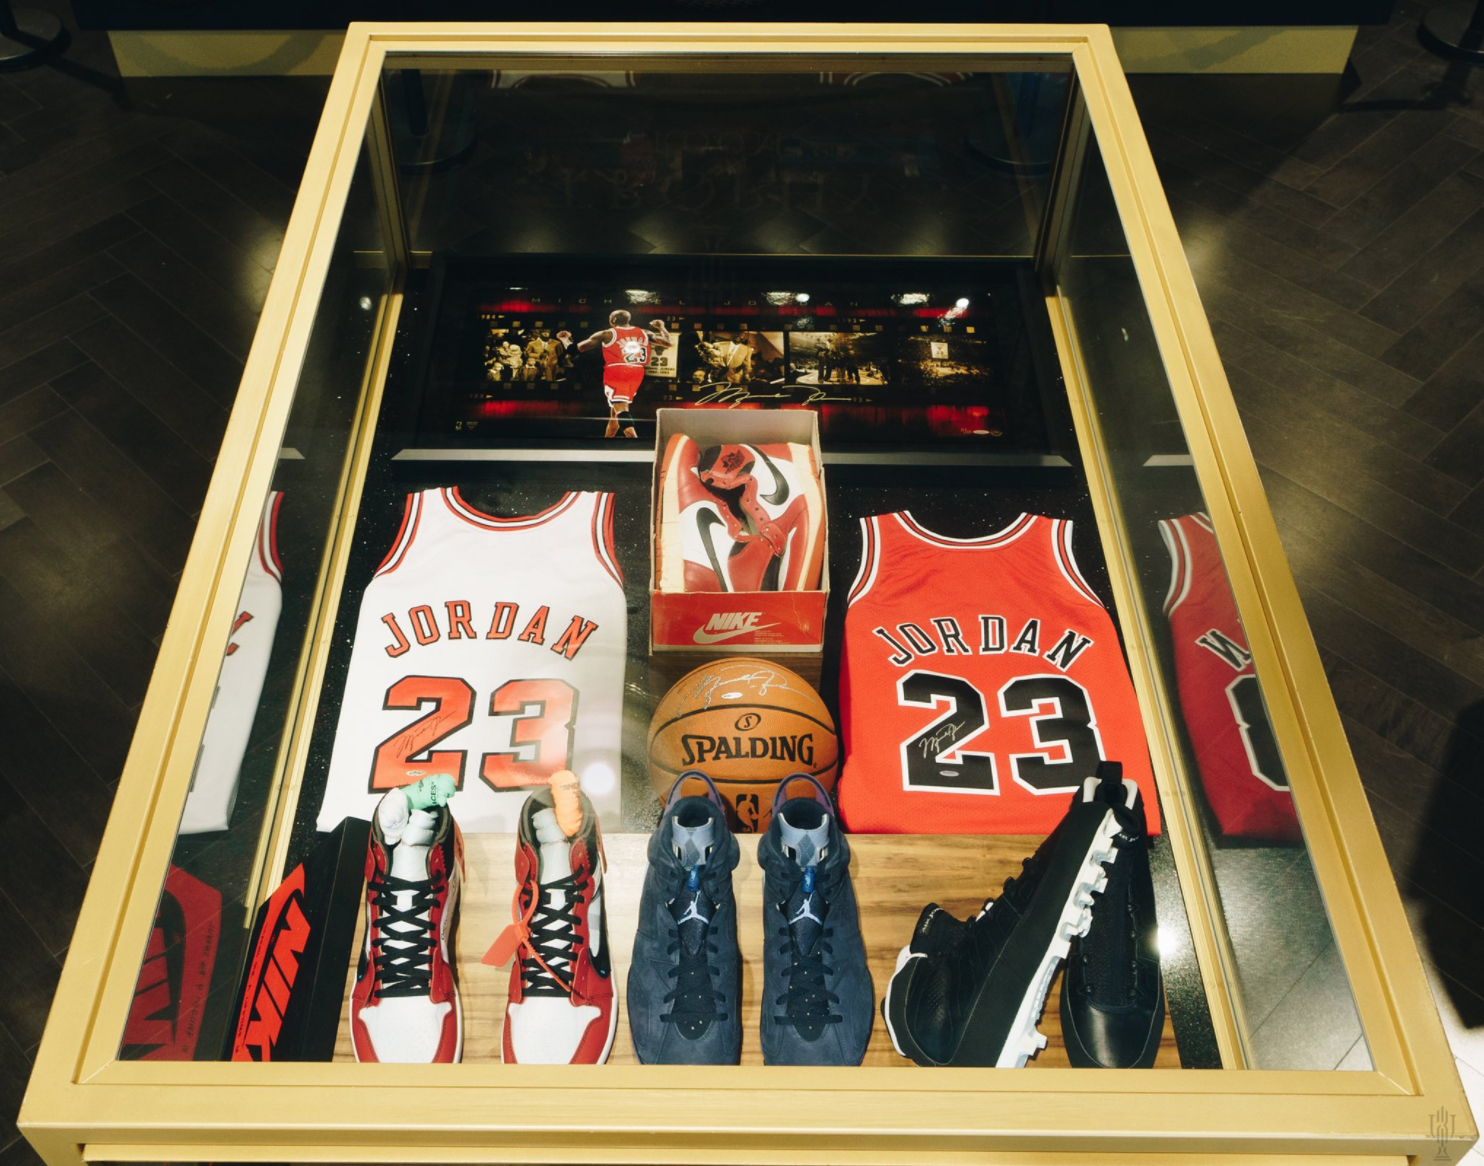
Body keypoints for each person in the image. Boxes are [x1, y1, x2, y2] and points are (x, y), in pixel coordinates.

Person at [559, 310, 673, 438]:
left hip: (617, 370)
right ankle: (607, 440)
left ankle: (633, 440)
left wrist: (564, 339)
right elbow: (669, 342)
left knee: (621, 409)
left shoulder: (607, 334)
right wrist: (661, 327)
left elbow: (574, 349)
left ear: (613, 320)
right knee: (615, 411)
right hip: (637, 371)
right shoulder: (644, 332)